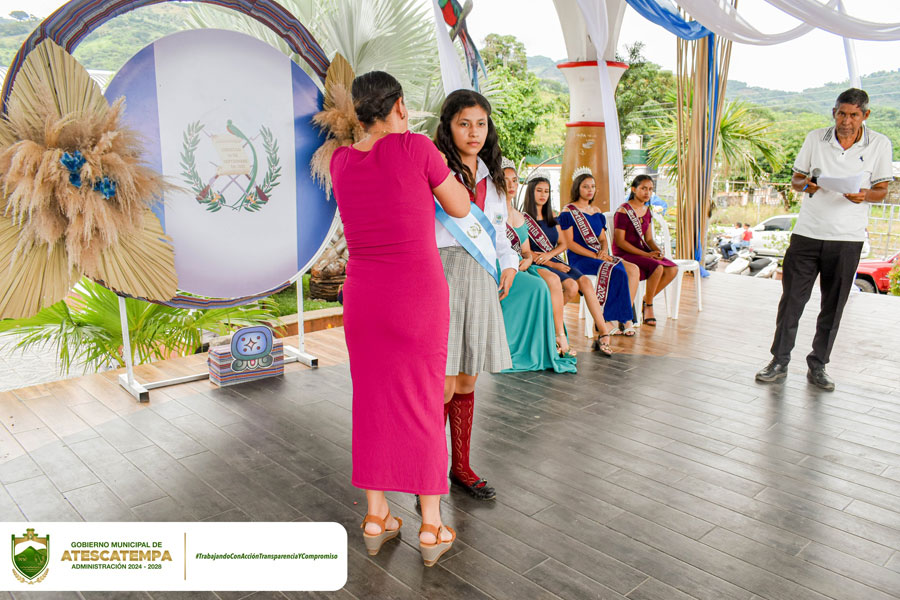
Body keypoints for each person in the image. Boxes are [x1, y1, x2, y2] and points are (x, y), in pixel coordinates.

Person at [330, 71, 468, 566]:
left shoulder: (341, 161)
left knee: (371, 403)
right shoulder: (416, 149)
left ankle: (376, 518)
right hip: (415, 296)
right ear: (401, 106)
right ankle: (430, 526)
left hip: (363, 298)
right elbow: (461, 206)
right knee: (423, 402)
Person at [755, 88, 892, 391]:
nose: (846, 121)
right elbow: (796, 179)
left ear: (865, 115)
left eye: (853, 115)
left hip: (847, 239)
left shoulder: (880, 144)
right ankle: (779, 361)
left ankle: (818, 365)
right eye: (841, 113)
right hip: (807, 234)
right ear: (834, 112)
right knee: (792, 300)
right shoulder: (815, 139)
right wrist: (807, 185)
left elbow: (883, 190)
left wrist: (865, 195)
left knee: (833, 305)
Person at [433, 89, 519, 501]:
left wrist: (510, 264)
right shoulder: (435, 171)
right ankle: (429, 470)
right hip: (442, 274)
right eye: (464, 123)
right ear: (448, 127)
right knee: (443, 383)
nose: (474, 132)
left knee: (467, 377)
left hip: (483, 277)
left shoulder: (494, 177)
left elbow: (499, 234)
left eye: (481, 124)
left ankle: (461, 467)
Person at [521, 171, 615, 355]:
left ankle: (603, 334)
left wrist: (551, 255)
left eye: (546, 191)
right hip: (537, 263)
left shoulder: (552, 216)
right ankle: (550, 325)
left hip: (552, 258)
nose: (543, 195)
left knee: (585, 282)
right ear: (530, 192)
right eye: (539, 190)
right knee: (571, 287)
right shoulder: (523, 219)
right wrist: (552, 263)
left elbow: (563, 244)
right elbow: (524, 250)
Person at [499, 157, 577, 371]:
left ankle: (557, 336)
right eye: (505, 180)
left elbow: (526, 251)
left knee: (553, 280)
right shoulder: (491, 212)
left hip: (522, 264)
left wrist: (527, 259)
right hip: (501, 265)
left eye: (515, 180)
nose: (511, 185)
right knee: (540, 287)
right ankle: (541, 341)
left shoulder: (518, 216)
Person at [559, 169, 639, 336]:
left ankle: (624, 317)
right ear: (577, 188)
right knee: (616, 270)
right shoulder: (568, 212)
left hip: (598, 255)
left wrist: (603, 250)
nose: (590, 190)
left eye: (593, 186)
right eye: (585, 186)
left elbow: (602, 239)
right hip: (580, 259)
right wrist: (596, 255)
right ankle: (605, 320)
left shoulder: (596, 211)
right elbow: (569, 244)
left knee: (633, 270)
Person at [613, 175, 678, 326]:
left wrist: (657, 251)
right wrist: (647, 254)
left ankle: (645, 300)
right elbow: (620, 242)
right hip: (624, 253)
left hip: (641, 251)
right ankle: (649, 306)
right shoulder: (623, 211)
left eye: (650, 189)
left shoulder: (647, 210)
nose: (647, 192)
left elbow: (648, 239)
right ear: (633, 189)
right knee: (657, 267)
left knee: (672, 269)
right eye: (643, 188)